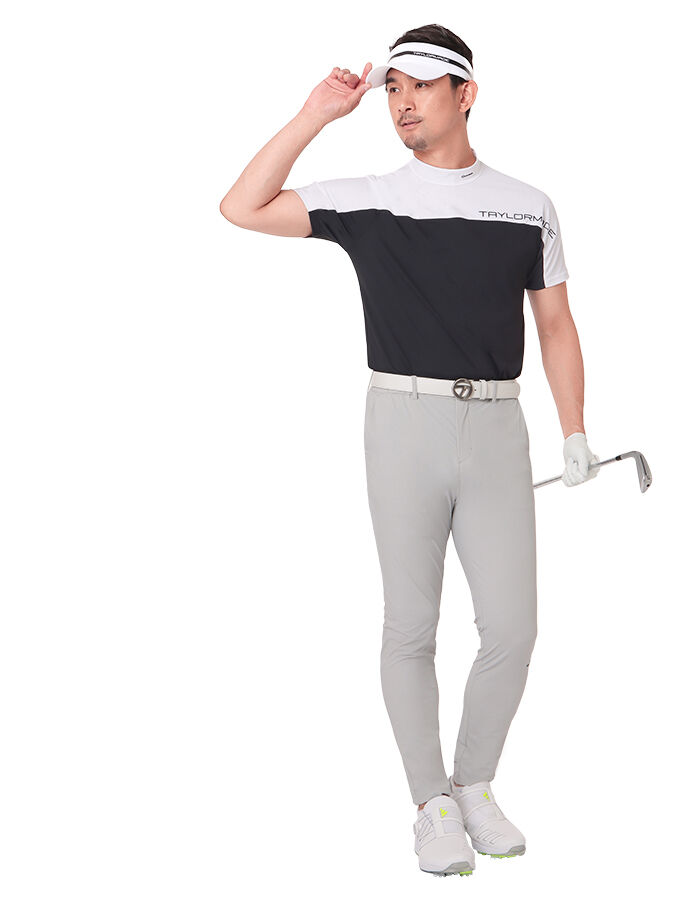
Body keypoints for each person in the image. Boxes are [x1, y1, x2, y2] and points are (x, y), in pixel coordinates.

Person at [219, 23, 601, 877]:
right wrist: (315, 114)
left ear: (466, 94)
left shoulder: (527, 204)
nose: (402, 103)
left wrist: (574, 429)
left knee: (513, 628)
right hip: (402, 421)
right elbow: (241, 206)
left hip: (497, 426)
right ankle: (431, 804)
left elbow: (555, 325)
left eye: (422, 86)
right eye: (393, 87)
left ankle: (474, 784)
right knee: (411, 624)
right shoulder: (369, 197)